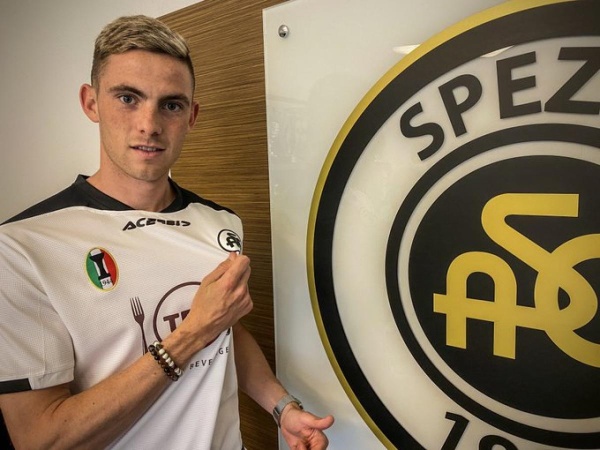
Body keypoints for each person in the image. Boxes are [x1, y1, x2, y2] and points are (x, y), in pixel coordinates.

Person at [0, 15, 334, 449]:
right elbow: (41, 439)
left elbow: (226, 333)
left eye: (171, 105)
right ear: (91, 103)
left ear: (191, 116)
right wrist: (190, 334)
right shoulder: (24, 247)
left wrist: (282, 407)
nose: (150, 124)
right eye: (128, 98)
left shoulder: (221, 223)